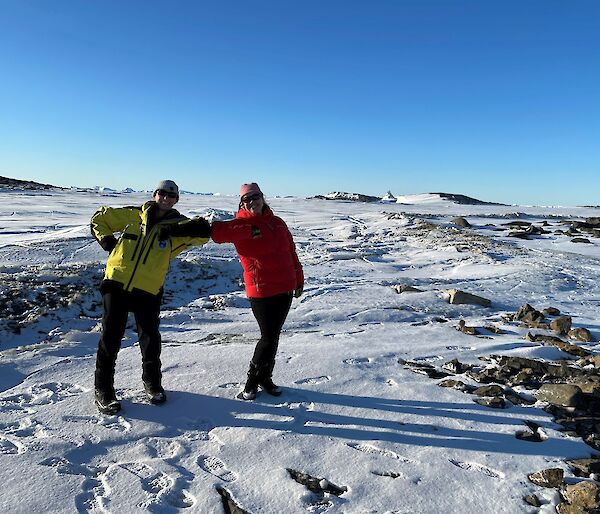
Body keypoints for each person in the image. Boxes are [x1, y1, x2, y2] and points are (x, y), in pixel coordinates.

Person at [90, 180, 211, 414]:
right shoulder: (133, 215)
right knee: (111, 338)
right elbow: (99, 218)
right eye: (162, 193)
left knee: (150, 339)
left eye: (171, 196)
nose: (166, 198)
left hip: (149, 289)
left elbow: (203, 235)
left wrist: (180, 229)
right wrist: (107, 241)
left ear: (177, 200)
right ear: (155, 194)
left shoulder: (177, 223)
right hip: (116, 283)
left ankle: (152, 384)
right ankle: (103, 390)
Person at [210, 183, 304, 400]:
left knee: (273, 336)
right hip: (261, 289)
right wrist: (249, 229)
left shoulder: (278, 223)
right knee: (267, 337)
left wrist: (298, 279)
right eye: (248, 199)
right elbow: (217, 233)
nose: (253, 201)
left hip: (285, 287)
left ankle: (266, 378)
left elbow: (291, 252)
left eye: (256, 197)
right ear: (242, 203)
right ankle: (252, 381)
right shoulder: (240, 225)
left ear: (263, 198)